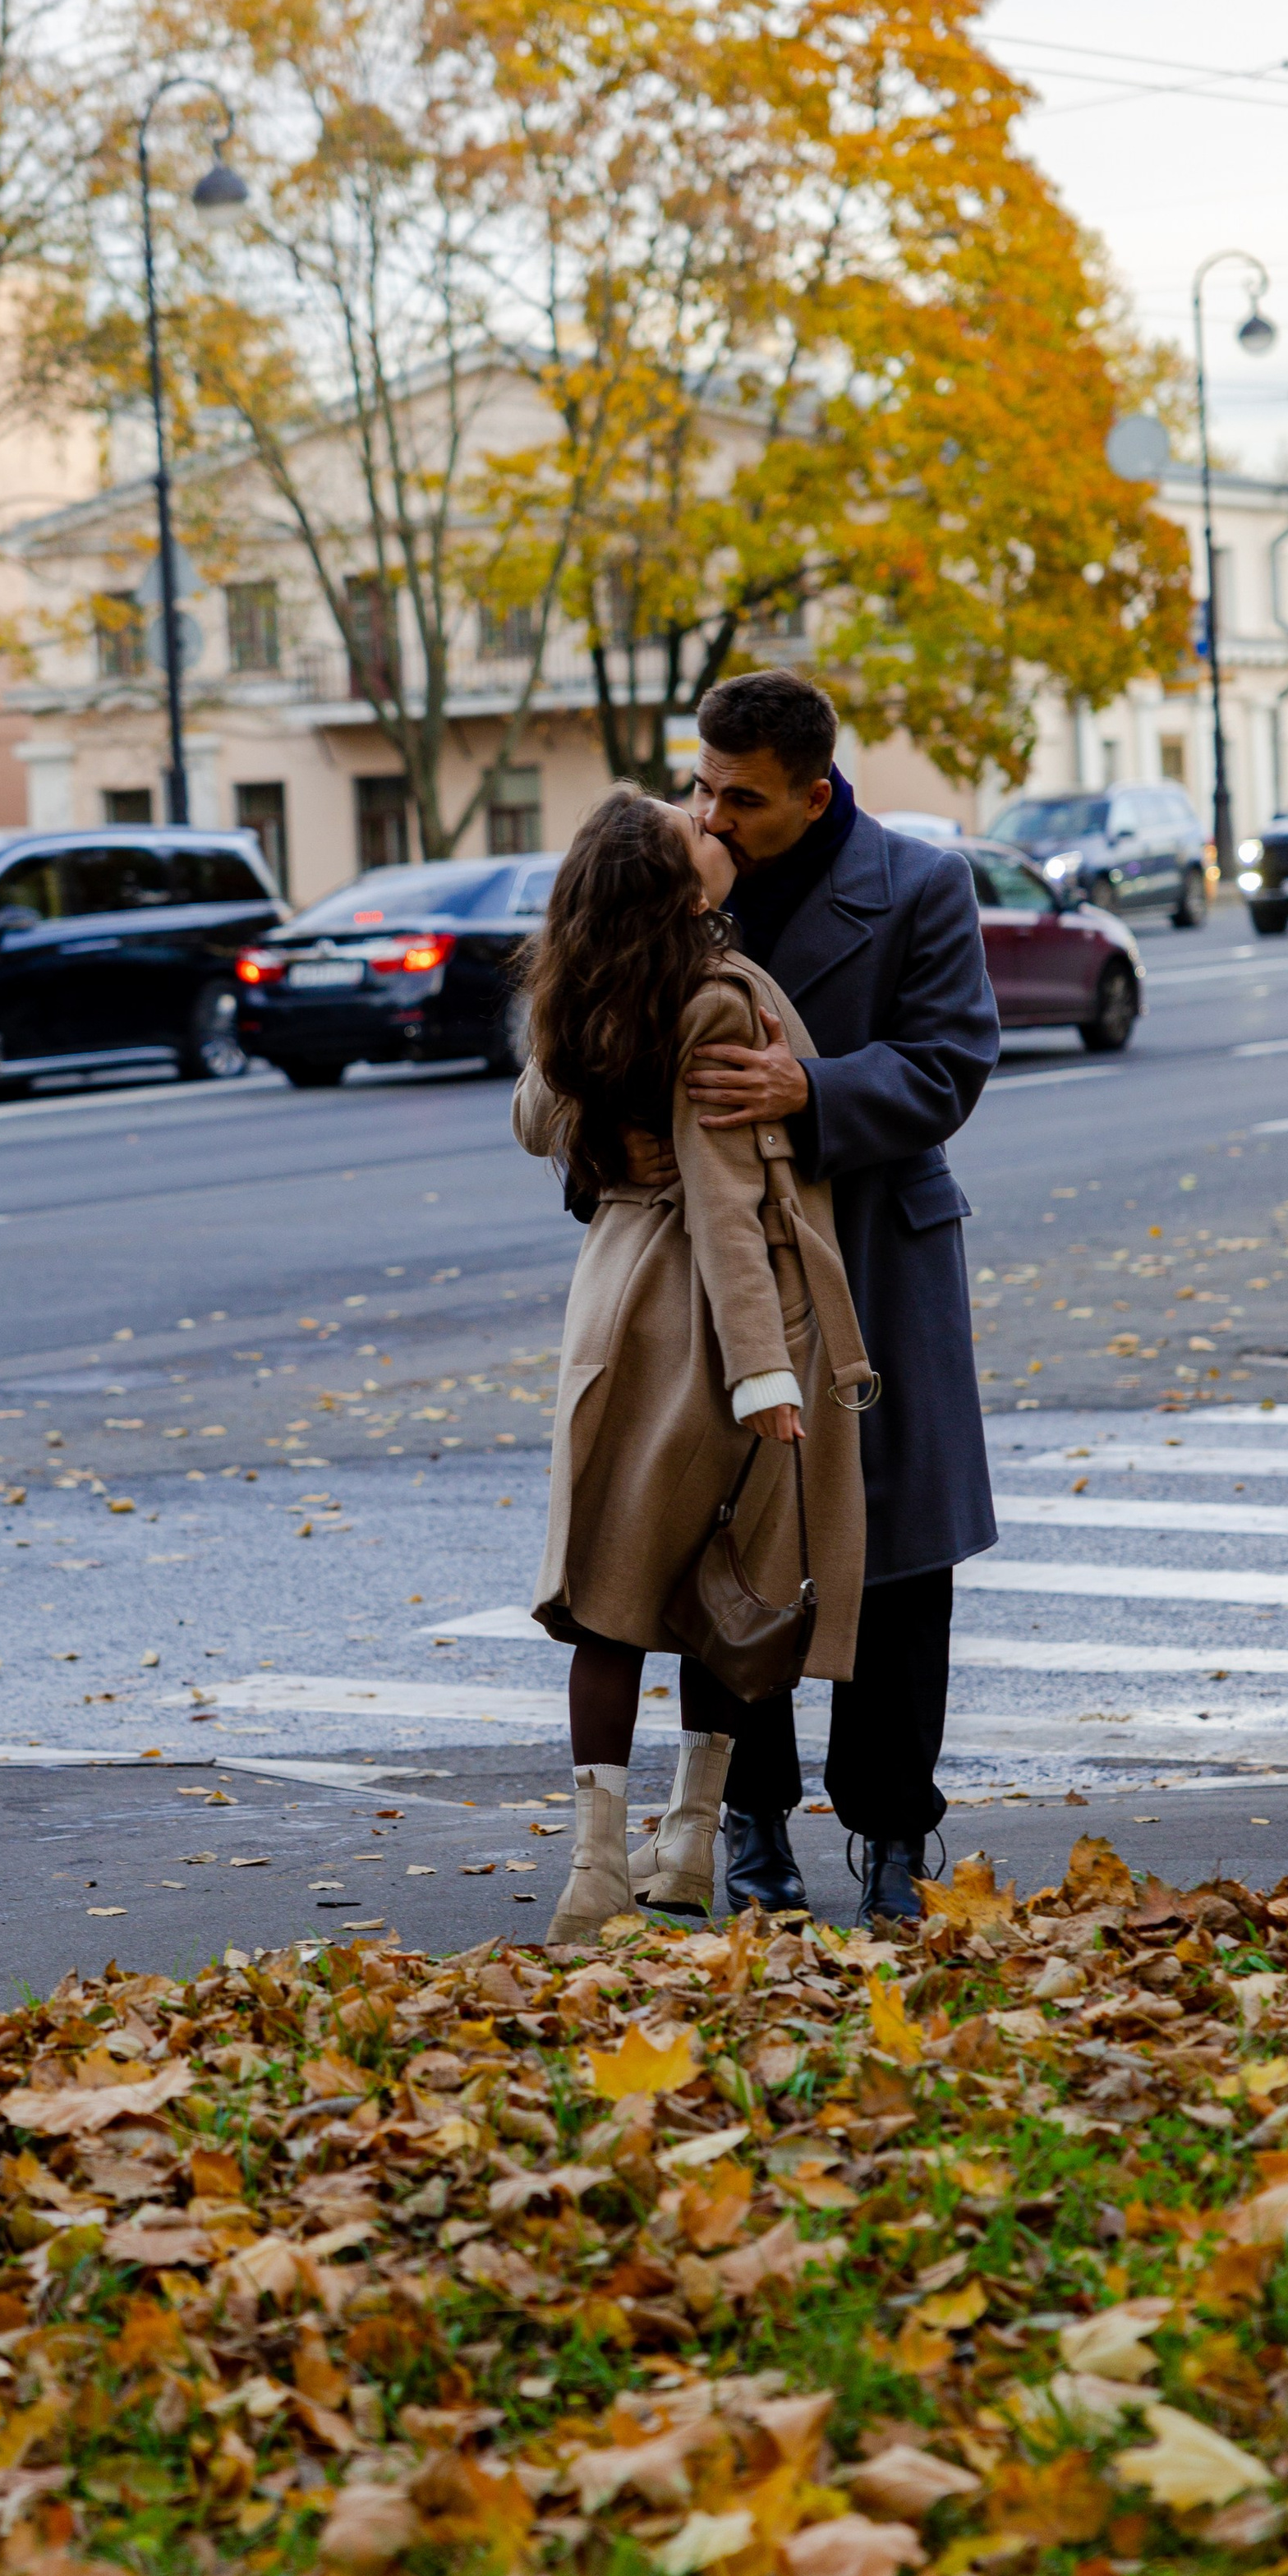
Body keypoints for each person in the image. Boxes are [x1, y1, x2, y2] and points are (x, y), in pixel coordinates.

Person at [624, 669, 997, 1922]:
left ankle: (894, 1831)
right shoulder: (680, 890)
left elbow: (953, 1061)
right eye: (701, 787)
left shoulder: (922, 886)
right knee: (733, 1541)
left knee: (894, 1559)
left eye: (744, 798)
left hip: (881, 1257)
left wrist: (813, 1093)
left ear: (817, 794)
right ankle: (752, 1822)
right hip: (725, 1270)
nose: (713, 817)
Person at [512, 783, 873, 1942]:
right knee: (733, 1575)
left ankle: (594, 1872)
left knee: (612, 1589)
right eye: (695, 832)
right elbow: (725, 1201)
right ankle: (687, 1848)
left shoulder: (581, 985)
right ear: (675, 888)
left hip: (611, 1297)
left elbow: (533, 1114)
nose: (714, 828)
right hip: (713, 1314)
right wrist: (765, 1373)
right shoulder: (714, 995)